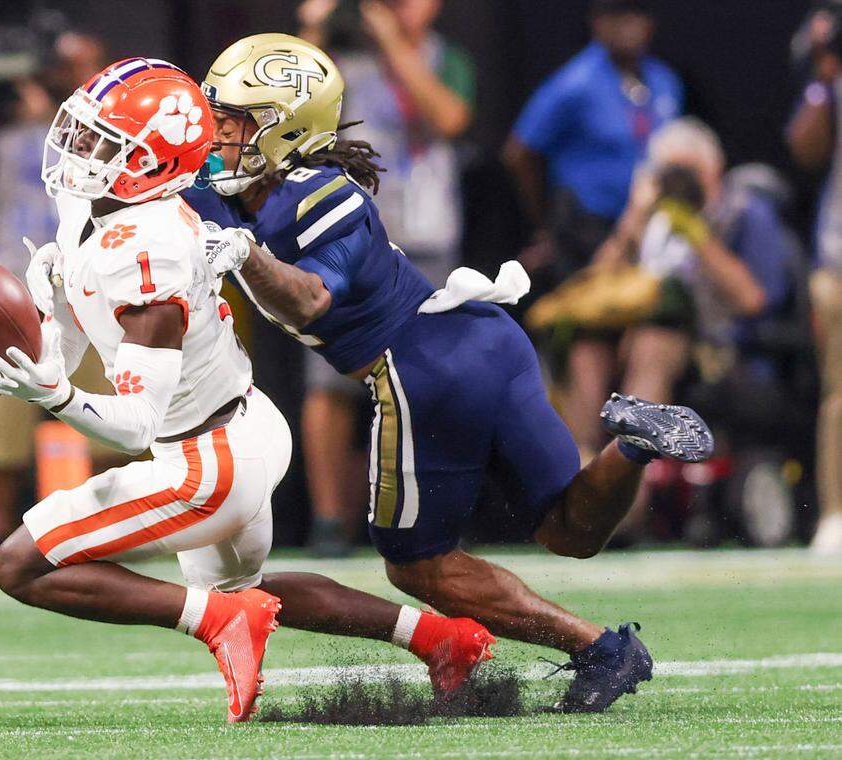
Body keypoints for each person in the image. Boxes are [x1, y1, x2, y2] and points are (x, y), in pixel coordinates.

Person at [0, 60, 493, 723]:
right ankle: (443, 639)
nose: (81, 151)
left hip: (206, 463)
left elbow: (133, 427)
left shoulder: (151, 253)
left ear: (156, 162)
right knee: (248, 589)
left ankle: (221, 622)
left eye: (105, 142)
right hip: (234, 432)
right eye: (83, 133)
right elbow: (74, 332)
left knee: (20, 566)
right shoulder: (97, 205)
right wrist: (8, 360)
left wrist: (53, 395)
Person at [184, 33, 713, 712]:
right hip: (481, 341)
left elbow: (311, 295)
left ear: (283, 129)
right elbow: (161, 206)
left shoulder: (317, 195)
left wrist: (245, 254)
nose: (217, 133)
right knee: (568, 531)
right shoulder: (234, 198)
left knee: (415, 563)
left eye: (233, 121)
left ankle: (598, 648)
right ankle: (633, 444)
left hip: (421, 369)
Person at [294, 0, 477, 555]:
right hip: (346, 233)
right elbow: (291, 104)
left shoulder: (447, 58)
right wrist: (313, 27)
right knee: (329, 383)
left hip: (425, 239)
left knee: (427, 380)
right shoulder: (339, 60)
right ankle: (330, 521)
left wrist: (392, 40)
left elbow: (448, 118)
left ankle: (427, 517)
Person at [0, 22, 109, 561]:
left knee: (105, 414)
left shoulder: (88, 117)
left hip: (86, 278)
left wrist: (74, 89)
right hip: (11, 287)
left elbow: (112, 164)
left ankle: (103, 525)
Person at [561, 120, 791, 465]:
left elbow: (754, 300)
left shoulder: (742, 212)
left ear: (714, 170)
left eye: (689, 172)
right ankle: (580, 465)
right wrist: (633, 221)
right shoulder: (653, 218)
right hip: (634, 329)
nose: (680, 183)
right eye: (670, 173)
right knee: (585, 345)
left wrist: (697, 234)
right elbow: (588, 288)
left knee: (653, 344)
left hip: (710, 344)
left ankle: (629, 473)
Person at [502, 0, 682, 285]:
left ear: (649, 23)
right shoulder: (575, 83)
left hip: (647, 226)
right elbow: (519, 152)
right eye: (617, 16)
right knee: (590, 318)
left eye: (635, 15)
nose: (627, 26)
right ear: (597, 23)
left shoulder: (665, 81)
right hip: (588, 227)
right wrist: (544, 221)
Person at [787, 5, 842, 553]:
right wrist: (823, 79)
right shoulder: (829, 82)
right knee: (840, 392)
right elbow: (804, 149)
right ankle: (836, 513)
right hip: (840, 257)